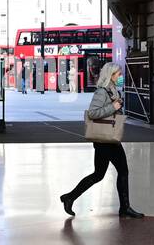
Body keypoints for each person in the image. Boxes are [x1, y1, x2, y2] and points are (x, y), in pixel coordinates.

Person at [59, 63, 143, 219]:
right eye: (118, 74)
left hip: (107, 139)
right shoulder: (101, 92)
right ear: (110, 75)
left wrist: (117, 106)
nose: (120, 77)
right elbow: (92, 113)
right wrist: (113, 106)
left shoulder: (112, 89)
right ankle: (125, 208)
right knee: (122, 171)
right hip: (106, 140)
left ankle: (69, 197)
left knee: (99, 174)